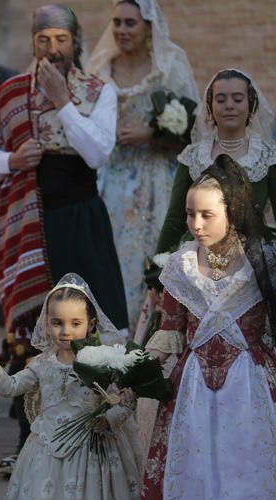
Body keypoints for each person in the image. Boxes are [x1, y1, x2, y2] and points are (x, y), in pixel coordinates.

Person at [0, 4, 128, 343]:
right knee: (38, 329)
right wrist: (12, 161)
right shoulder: (10, 92)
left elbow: (98, 153)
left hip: (82, 220)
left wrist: (62, 103)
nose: (52, 49)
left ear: (76, 42)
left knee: (93, 317)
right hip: (31, 223)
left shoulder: (100, 91)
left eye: (61, 39)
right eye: (43, 39)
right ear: (32, 43)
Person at [138, 155, 276, 500]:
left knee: (248, 476)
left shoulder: (264, 257)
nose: (195, 225)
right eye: (189, 214)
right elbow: (168, 334)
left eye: (206, 215)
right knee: (193, 475)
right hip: (193, 391)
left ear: (231, 211)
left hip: (251, 388)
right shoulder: (180, 264)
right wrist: (128, 377)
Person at [0, 273, 142, 500]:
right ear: (46, 323)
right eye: (57, 323)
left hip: (92, 456)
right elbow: (10, 387)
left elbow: (125, 402)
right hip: (47, 455)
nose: (65, 332)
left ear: (92, 323)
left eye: (76, 323)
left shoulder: (102, 360)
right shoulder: (41, 365)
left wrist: (108, 418)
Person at [87, 0, 198, 330]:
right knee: (109, 259)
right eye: (117, 22)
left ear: (148, 26)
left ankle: (149, 339)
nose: (121, 30)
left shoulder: (170, 65)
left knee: (149, 259)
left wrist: (152, 132)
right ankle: (109, 340)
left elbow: (193, 128)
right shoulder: (100, 67)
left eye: (130, 23)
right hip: (110, 178)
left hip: (155, 179)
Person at [156, 68, 276, 253]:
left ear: (250, 104)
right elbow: (175, 219)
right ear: (210, 105)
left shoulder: (267, 157)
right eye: (220, 100)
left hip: (251, 258)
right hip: (197, 259)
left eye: (237, 99)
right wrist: (159, 264)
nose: (229, 105)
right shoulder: (193, 156)